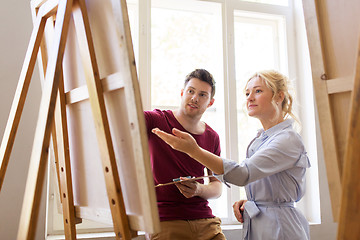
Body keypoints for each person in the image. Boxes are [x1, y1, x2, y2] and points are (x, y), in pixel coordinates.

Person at [152, 70, 311, 240]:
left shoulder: (287, 139)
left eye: (257, 91)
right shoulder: (260, 141)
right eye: (247, 93)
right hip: (261, 226)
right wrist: (252, 202)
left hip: (282, 229)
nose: (249, 98)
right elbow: (273, 186)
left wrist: (193, 150)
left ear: (279, 97)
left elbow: (243, 174)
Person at [145, 69, 226, 240]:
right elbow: (122, 120)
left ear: (210, 103)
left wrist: (198, 190)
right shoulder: (156, 120)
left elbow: (217, 187)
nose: (195, 98)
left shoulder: (212, 137)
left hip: (206, 222)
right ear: (182, 93)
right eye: (191, 91)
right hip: (165, 221)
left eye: (202, 95)